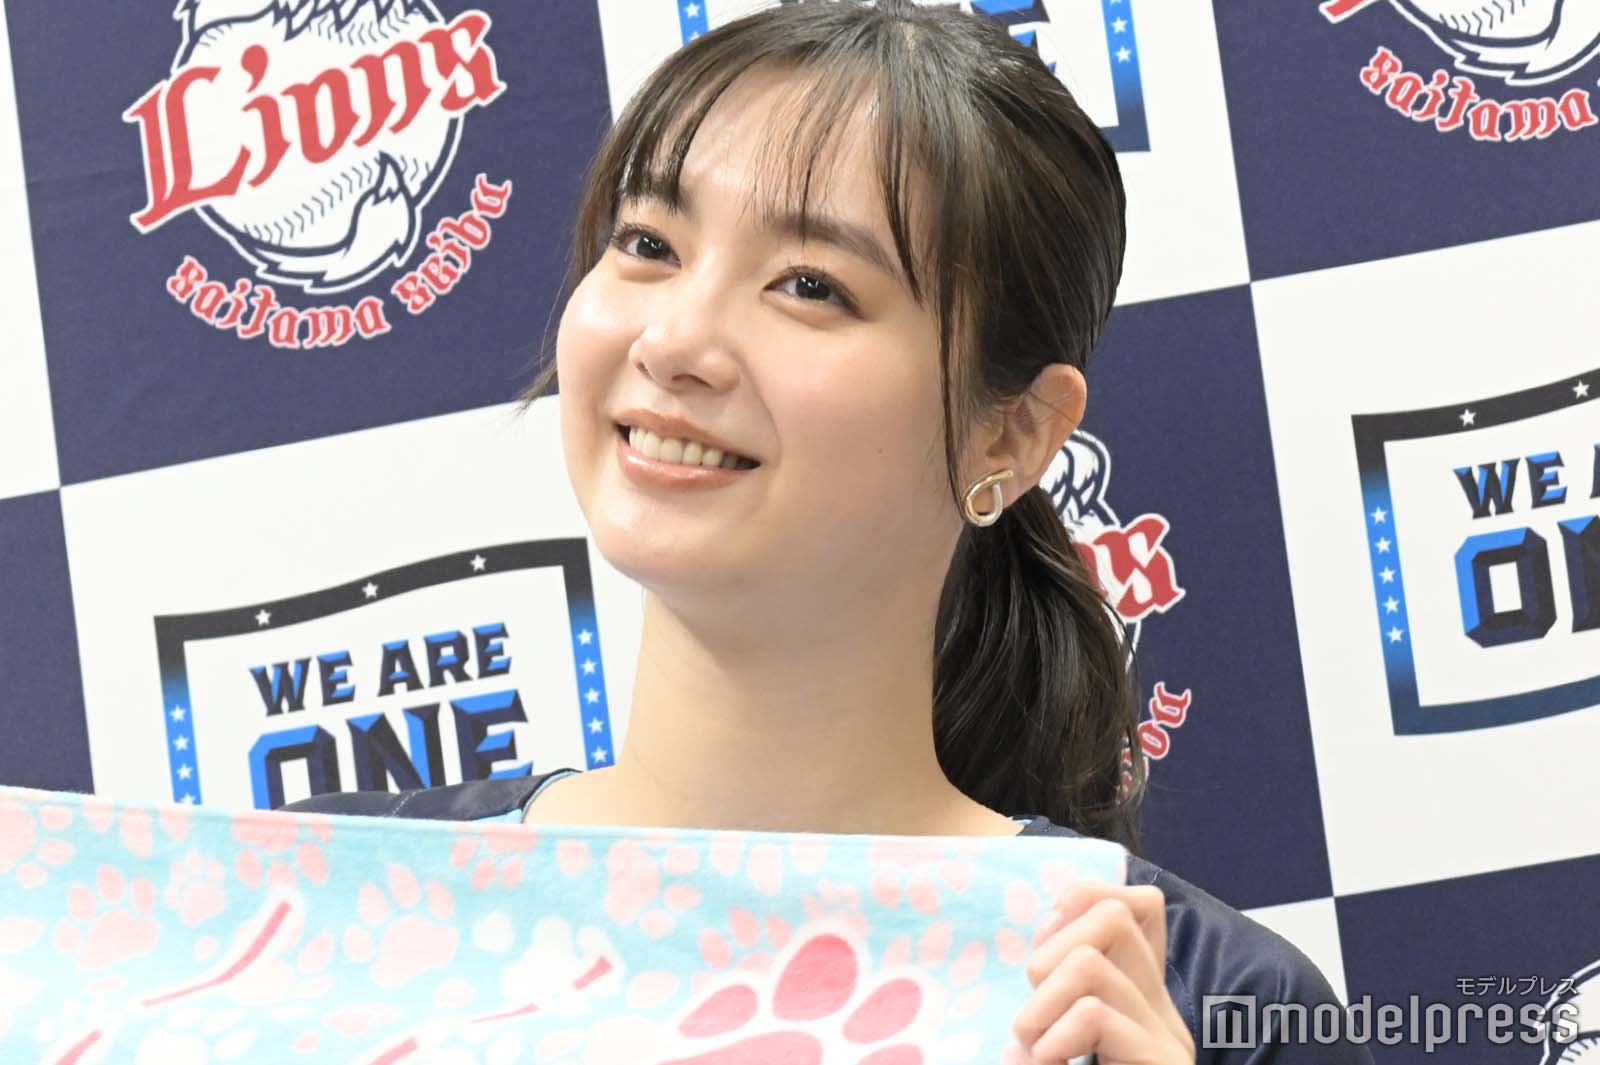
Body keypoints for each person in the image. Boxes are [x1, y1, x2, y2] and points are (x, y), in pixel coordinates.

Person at [282, 3, 1373, 1061]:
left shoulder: (1206, 1003)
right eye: (649, 242)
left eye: (809, 285)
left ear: (1009, 433)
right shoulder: (318, 905)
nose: (675, 340)